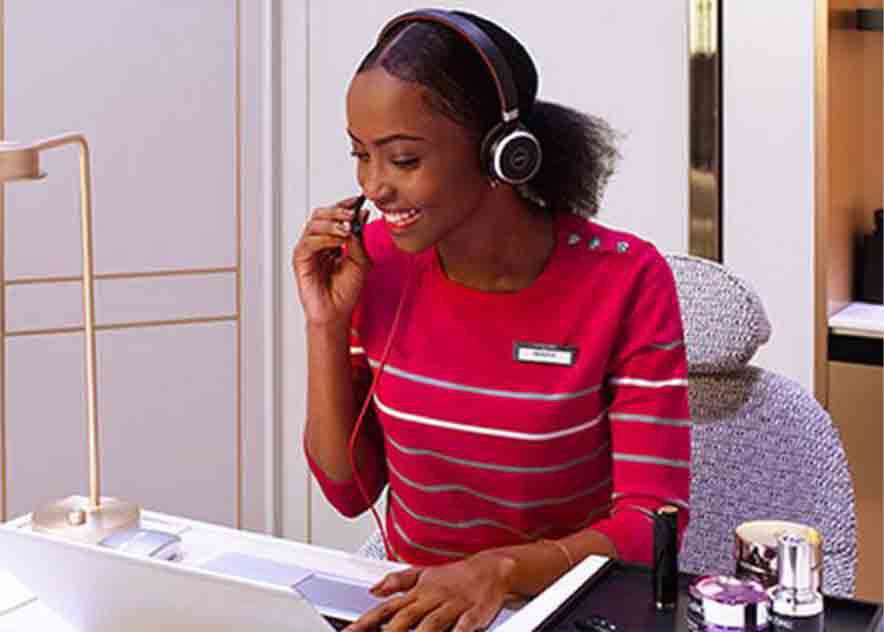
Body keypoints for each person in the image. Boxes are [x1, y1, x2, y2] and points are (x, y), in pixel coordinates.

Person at [292, 9, 691, 632]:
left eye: (402, 159)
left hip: (567, 612)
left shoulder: (627, 280)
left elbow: (651, 525)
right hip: (421, 615)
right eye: (360, 155)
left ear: (503, 155)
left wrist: (499, 570)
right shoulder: (375, 267)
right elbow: (348, 493)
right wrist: (324, 323)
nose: (374, 186)